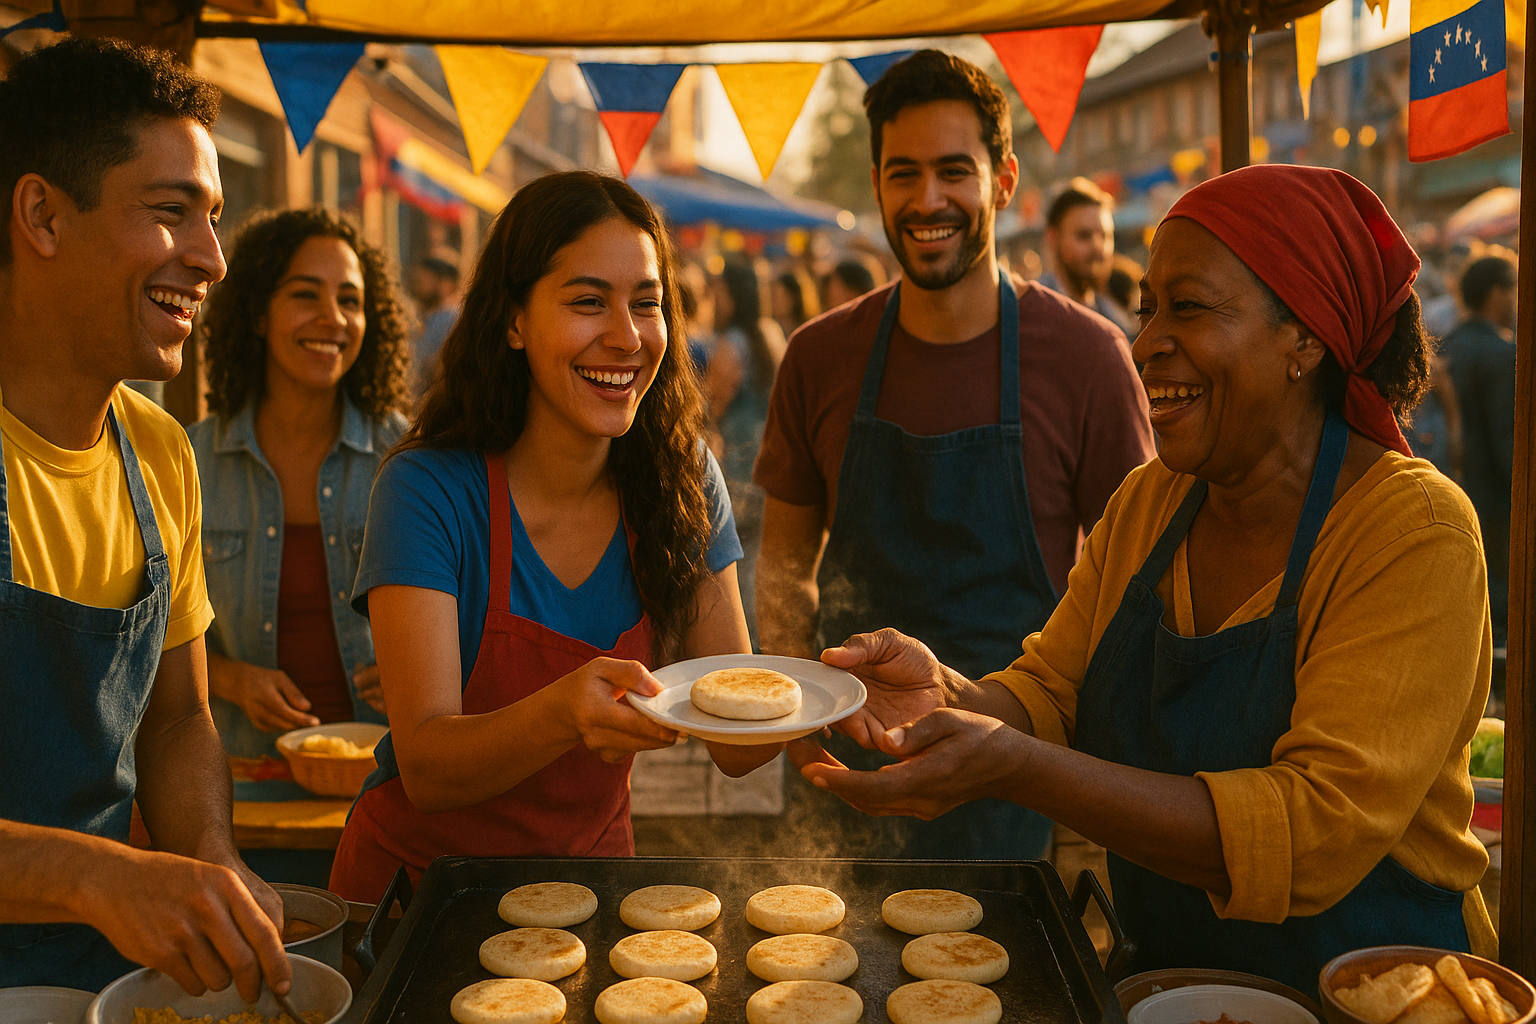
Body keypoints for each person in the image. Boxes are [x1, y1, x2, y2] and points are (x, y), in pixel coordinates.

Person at [797, 165, 1496, 993]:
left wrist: (1016, 767)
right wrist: (947, 696)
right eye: (1148, 310)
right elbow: (1050, 692)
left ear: (1304, 336)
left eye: (1188, 307)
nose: (1144, 342)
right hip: (1173, 990)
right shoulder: (1151, 503)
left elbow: (1310, 835)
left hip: (1380, 999)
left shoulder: (1412, 532)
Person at [754, 50, 1153, 860]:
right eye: (904, 174)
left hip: (1014, 787)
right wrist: (798, 717)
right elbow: (784, 565)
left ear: (1003, 181)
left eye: (953, 172)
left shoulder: (1087, 359)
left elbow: (1134, 590)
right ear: (874, 183)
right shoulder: (818, 355)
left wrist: (1069, 771)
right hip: (844, 773)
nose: (927, 200)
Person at [328, 171, 759, 902]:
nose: (625, 338)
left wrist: (841, 702)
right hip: (418, 901)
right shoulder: (427, 488)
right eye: (588, 302)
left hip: (590, 893)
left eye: (647, 305)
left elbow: (734, 744)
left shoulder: (683, 478)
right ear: (514, 320)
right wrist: (563, 713)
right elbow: (429, 768)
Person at [0, 38, 290, 997]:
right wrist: (96, 875)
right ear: (41, 213)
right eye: (170, 213)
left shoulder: (161, 452)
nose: (209, 258)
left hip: (105, 982)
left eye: (213, 217)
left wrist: (210, 857)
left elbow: (180, 719)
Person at [190, 208, 410, 763]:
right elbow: (153, 645)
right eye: (306, 295)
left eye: (351, 300)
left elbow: (474, 617)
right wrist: (232, 679)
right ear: (259, 313)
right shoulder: (189, 461)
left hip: (388, 778)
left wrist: (425, 666)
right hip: (246, 779)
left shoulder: (408, 459)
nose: (333, 318)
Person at [707, 255, 784, 646]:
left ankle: (739, 646)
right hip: (765, 464)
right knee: (754, 565)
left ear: (732, 294)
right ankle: (757, 642)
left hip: (735, 471)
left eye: (718, 291)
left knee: (728, 568)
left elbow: (711, 403)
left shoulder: (731, 342)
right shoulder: (770, 335)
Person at [1441, 254, 1517, 647]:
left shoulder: (1448, 345)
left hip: (1451, 486)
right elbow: (1506, 434)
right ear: (1496, 294)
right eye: (1512, 289)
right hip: (1493, 494)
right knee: (1499, 591)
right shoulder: (1502, 353)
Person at [1039, 177, 1138, 336]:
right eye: (1084, 235)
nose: (1099, 248)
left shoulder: (1114, 321)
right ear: (1053, 239)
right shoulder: (1033, 311)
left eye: (1105, 236)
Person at [407, 250, 460, 398]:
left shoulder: (451, 319)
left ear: (446, 284)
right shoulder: (424, 318)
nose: (418, 284)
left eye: (424, 280)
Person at [771, 269, 819, 339]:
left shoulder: (808, 331)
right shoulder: (771, 331)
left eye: (776, 296)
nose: (772, 301)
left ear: (793, 298)